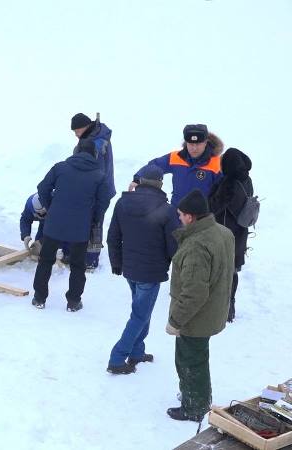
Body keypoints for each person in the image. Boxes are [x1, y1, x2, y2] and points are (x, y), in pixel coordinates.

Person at [165, 189, 234, 422]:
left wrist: (175, 320)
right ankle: (195, 395)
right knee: (197, 357)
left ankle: (194, 406)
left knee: (190, 361)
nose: (179, 218)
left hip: (197, 317)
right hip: (214, 310)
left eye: (181, 214)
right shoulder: (223, 233)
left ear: (191, 217)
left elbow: (194, 292)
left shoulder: (196, 245)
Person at [106, 164, 179, 374]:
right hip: (151, 271)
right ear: (160, 184)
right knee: (140, 315)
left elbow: (113, 237)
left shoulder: (122, 203)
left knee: (141, 311)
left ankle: (137, 351)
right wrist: (169, 264)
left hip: (130, 269)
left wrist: (117, 263)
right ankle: (117, 358)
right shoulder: (167, 209)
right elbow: (172, 245)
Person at [32, 138, 111, 312]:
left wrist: (51, 207)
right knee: (77, 265)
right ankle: (73, 302)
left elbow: (42, 187)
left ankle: (39, 298)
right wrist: (93, 218)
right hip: (80, 227)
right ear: (94, 155)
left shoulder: (60, 167)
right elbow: (103, 201)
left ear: (76, 151)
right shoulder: (99, 176)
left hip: (54, 224)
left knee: (45, 260)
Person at [208, 147, 253, 322]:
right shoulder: (247, 179)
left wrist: (211, 191)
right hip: (240, 233)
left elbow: (213, 206)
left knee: (220, 271)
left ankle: (223, 308)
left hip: (223, 232)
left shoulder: (228, 183)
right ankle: (230, 306)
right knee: (232, 271)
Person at [130, 124, 223, 206]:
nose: (194, 148)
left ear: (206, 142)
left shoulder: (217, 164)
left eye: (198, 144)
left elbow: (224, 192)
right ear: (186, 143)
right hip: (177, 214)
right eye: (191, 144)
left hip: (202, 218)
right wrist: (138, 179)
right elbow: (154, 166)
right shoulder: (175, 157)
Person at [70, 113, 116, 269]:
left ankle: (91, 260)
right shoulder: (96, 136)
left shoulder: (96, 143)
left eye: (77, 130)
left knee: (94, 223)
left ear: (86, 126)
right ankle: (83, 255)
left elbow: (95, 171)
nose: (76, 134)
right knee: (87, 222)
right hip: (98, 188)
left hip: (98, 190)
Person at [19, 192, 47, 260]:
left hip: (59, 220)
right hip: (46, 222)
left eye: (43, 213)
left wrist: (42, 242)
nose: (42, 215)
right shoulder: (29, 206)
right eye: (39, 213)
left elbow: (63, 229)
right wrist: (25, 235)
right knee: (38, 245)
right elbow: (25, 219)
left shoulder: (56, 205)